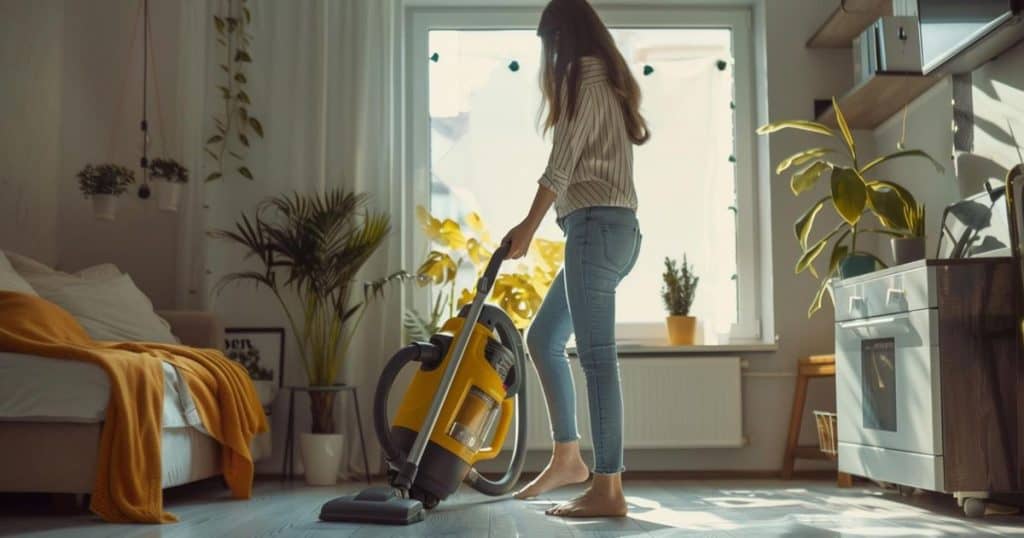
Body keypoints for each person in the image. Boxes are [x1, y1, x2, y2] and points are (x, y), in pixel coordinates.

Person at [502, 0, 649, 518]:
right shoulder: (607, 80)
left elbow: (559, 168)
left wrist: (526, 227)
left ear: (558, 41)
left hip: (594, 230)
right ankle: (568, 457)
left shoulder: (584, 80)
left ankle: (608, 489)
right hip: (611, 232)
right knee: (542, 338)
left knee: (597, 360)